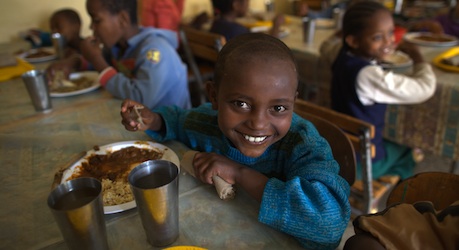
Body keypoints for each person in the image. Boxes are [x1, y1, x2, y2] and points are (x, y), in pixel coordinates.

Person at [120, 33, 351, 249]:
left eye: (278, 108)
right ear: (214, 96)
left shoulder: (303, 146)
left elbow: (329, 224)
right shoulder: (206, 123)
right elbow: (179, 121)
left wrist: (239, 173)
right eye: (241, 104)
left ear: (293, 102)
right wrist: (154, 120)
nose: (258, 124)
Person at [331, 1, 436, 180]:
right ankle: (400, 199)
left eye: (390, 32)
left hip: (340, 150)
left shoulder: (338, 53)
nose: (390, 41)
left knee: (389, 142)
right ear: (353, 41)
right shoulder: (368, 76)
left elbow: (326, 44)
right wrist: (418, 59)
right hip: (361, 164)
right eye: (378, 37)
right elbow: (424, 89)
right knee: (408, 151)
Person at [46, 0, 191, 110]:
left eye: (96, 20)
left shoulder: (155, 50)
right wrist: (73, 62)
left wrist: (97, 60)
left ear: (123, 19)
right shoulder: (119, 45)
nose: (91, 27)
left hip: (171, 132)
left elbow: (141, 99)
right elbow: (99, 59)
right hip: (138, 123)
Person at [209, 0, 285, 41]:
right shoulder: (237, 31)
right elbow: (269, 48)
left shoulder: (216, 23)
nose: (248, 4)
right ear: (236, 5)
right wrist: (276, 25)